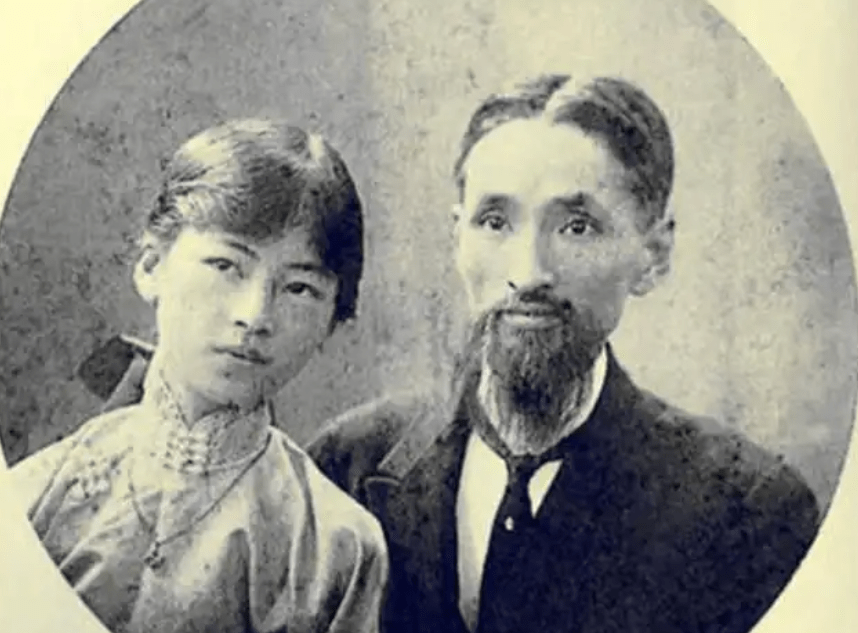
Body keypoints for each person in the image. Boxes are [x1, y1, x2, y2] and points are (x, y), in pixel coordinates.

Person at [306, 75, 820, 633]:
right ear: (458, 239)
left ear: (654, 254)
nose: (527, 273)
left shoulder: (746, 513)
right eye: (495, 222)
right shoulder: (343, 469)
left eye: (577, 227)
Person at [10, 120, 387, 633]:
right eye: (226, 266)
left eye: (299, 289)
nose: (255, 315)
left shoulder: (336, 548)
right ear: (151, 266)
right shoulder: (37, 494)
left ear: (333, 321)